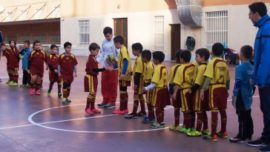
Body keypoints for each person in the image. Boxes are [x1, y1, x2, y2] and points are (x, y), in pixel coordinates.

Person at [247, 2, 270, 151]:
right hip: (264, 79)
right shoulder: (263, 29)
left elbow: (267, 58)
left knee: (268, 110)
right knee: (265, 109)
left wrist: (260, 79)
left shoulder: (267, 29)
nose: (249, 17)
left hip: (267, 80)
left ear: (256, 13)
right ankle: (266, 137)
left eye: (250, 14)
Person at [201, 43, 230, 142]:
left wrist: (203, 89)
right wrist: (227, 89)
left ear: (212, 52)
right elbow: (228, 79)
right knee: (223, 110)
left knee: (214, 110)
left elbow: (208, 77)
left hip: (214, 88)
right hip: (222, 88)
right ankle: (224, 131)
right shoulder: (225, 63)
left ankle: (213, 135)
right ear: (222, 52)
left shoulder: (212, 62)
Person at [229, 45, 254, 143]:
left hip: (241, 94)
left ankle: (241, 135)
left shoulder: (240, 67)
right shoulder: (252, 66)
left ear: (242, 54)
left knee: (241, 114)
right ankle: (249, 134)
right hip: (248, 93)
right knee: (247, 114)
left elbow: (238, 82)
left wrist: (234, 94)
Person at [187, 48, 210, 137]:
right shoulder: (207, 66)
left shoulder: (201, 68)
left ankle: (198, 130)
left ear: (202, 57)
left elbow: (198, 82)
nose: (195, 58)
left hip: (198, 92)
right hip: (204, 91)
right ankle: (206, 129)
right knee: (203, 110)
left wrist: (191, 90)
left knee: (199, 111)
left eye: (197, 56)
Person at [144, 51, 170, 129]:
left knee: (158, 107)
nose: (152, 60)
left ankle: (159, 122)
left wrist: (145, 88)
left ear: (157, 60)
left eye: (153, 59)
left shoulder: (157, 69)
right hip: (165, 89)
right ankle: (161, 121)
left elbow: (154, 83)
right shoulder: (164, 67)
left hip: (159, 90)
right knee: (161, 107)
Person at [172, 51, 195, 134]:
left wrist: (174, 93)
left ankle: (187, 127)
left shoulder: (180, 68)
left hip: (184, 91)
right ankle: (192, 126)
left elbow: (178, 82)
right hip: (192, 90)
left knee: (186, 109)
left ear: (181, 59)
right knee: (192, 108)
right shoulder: (193, 65)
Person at [97, 27, 118, 109]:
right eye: (106, 36)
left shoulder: (116, 41)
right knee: (104, 84)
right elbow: (101, 53)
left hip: (113, 68)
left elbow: (118, 54)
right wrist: (97, 60)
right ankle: (105, 100)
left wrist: (114, 63)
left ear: (112, 33)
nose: (108, 38)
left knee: (112, 85)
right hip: (105, 67)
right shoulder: (103, 42)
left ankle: (112, 102)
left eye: (109, 36)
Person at [125, 43, 146, 119]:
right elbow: (136, 71)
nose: (132, 52)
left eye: (133, 50)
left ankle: (134, 112)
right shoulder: (140, 58)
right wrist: (131, 73)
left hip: (139, 81)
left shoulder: (140, 59)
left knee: (136, 96)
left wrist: (136, 84)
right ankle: (143, 111)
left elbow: (138, 73)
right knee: (140, 96)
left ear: (137, 50)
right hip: (141, 80)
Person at [112, 35, 132, 115]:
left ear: (118, 43)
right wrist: (115, 64)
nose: (115, 45)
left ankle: (123, 109)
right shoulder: (122, 50)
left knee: (122, 92)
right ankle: (124, 108)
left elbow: (126, 62)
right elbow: (121, 63)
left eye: (115, 44)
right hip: (123, 74)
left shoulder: (123, 50)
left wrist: (123, 73)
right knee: (123, 91)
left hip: (124, 75)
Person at [84, 43, 105, 115]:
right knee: (91, 93)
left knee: (94, 93)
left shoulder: (93, 57)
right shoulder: (91, 59)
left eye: (98, 51)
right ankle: (87, 108)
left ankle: (92, 108)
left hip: (94, 77)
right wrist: (104, 69)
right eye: (96, 51)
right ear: (92, 50)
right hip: (90, 77)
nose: (97, 52)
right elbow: (95, 69)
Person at [168, 50, 182, 132]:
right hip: (185, 90)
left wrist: (170, 92)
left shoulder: (174, 68)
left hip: (176, 90)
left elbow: (171, 81)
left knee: (176, 108)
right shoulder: (190, 66)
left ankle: (176, 124)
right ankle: (187, 125)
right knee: (186, 109)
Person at [141, 50, 155, 124]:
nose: (141, 59)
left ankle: (151, 117)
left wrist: (145, 87)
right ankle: (150, 115)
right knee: (148, 102)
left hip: (149, 87)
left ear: (145, 58)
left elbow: (149, 79)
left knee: (149, 102)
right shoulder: (148, 64)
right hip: (148, 86)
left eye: (142, 57)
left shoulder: (149, 66)